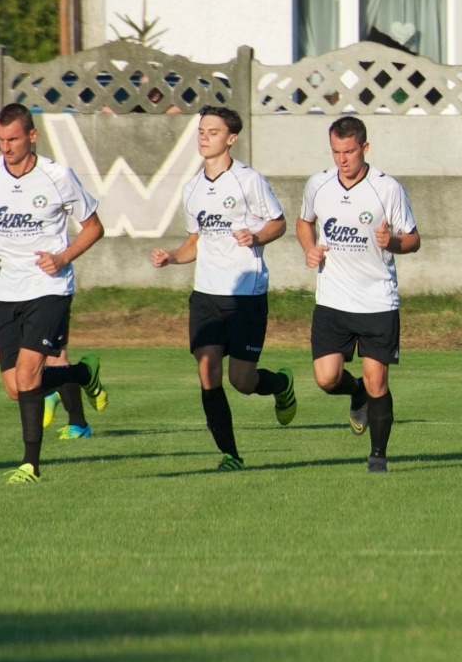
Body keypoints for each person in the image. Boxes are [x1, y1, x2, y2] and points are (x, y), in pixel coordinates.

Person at [0, 103, 110, 483]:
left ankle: (30, 465)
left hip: (50, 288)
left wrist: (63, 257)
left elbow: (94, 227)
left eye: (12, 139)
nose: (5, 148)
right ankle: (80, 372)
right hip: (7, 291)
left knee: (29, 374)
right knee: (16, 388)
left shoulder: (58, 176)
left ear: (32, 136)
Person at [151, 106, 297, 471]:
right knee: (207, 371)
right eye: (201, 130)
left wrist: (257, 235)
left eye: (213, 132)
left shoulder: (249, 181)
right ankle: (230, 454)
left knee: (242, 381)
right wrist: (171, 256)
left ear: (231, 138)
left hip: (246, 294)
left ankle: (280, 384)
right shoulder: (192, 189)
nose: (204, 136)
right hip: (206, 296)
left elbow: (279, 224)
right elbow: (193, 243)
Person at [297, 115, 420, 473]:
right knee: (326, 378)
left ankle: (377, 457)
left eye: (349, 151)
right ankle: (355, 393)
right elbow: (304, 222)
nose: (342, 160)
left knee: (377, 379)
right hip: (332, 300)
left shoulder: (387, 189)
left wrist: (392, 241)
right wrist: (309, 247)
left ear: (364, 148)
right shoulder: (318, 185)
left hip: (377, 301)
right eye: (336, 151)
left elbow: (413, 239)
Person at [0, 323, 97, 439]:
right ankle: (72, 378)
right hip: (6, 305)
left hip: (45, 306)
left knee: (54, 355)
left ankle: (78, 423)